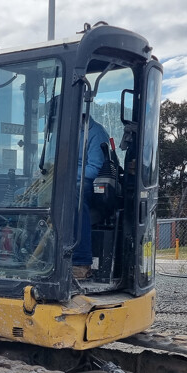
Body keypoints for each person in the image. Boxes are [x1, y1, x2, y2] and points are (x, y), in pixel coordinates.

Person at [73, 114, 110, 279]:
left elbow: (94, 168)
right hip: (62, 180)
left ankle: (80, 261)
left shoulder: (96, 132)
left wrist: (68, 175)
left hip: (86, 182)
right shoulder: (65, 132)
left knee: (74, 197)